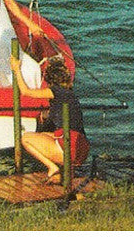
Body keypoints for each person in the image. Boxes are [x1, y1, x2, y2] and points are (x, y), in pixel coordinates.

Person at [9, 53, 90, 182]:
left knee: (25, 138)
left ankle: (53, 168)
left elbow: (25, 92)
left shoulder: (55, 91)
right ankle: (66, 170)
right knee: (45, 135)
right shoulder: (70, 95)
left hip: (71, 149)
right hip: (82, 148)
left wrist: (17, 69)